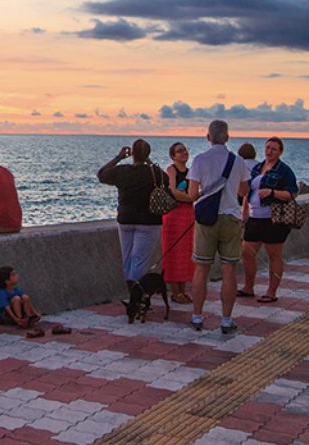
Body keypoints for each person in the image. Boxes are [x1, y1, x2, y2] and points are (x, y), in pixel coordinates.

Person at [187, 119, 251, 335]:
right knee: (228, 268)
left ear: (208, 137)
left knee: (201, 268)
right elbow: (243, 192)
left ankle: (197, 316)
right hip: (231, 217)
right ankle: (226, 319)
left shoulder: (199, 160)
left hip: (207, 220)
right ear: (227, 137)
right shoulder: (238, 161)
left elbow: (192, 194)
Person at [97, 139, 167, 283]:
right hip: (149, 221)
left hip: (126, 219)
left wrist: (119, 157)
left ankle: (131, 291)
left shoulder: (122, 171)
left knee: (127, 259)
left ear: (132, 153)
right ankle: (136, 294)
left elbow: (101, 174)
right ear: (148, 154)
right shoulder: (154, 172)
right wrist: (149, 161)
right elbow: (165, 179)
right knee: (139, 261)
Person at [239, 137, 300, 304]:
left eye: (273, 149)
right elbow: (247, 193)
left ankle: (271, 291)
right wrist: (244, 214)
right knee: (247, 252)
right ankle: (248, 287)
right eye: (267, 148)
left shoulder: (284, 171)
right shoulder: (257, 168)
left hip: (273, 218)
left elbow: (291, 193)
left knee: (274, 255)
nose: (269, 151)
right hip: (254, 217)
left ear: (280, 152)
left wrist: (272, 192)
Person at [162, 142, 195, 305]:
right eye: (179, 151)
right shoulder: (171, 170)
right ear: (173, 156)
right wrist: (190, 198)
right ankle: (175, 292)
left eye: (185, 150)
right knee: (173, 250)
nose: (183, 153)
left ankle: (182, 290)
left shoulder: (190, 172)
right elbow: (173, 191)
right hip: (174, 213)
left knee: (186, 252)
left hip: (189, 214)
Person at [0, 265, 43, 336]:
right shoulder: (2, 293)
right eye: (13, 275)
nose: (17, 276)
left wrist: (35, 313)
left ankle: (28, 318)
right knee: (16, 298)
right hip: (6, 316)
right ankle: (21, 320)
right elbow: (7, 309)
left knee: (25, 297)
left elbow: (27, 300)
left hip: (16, 313)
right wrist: (16, 320)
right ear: (7, 281)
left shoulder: (16, 289)